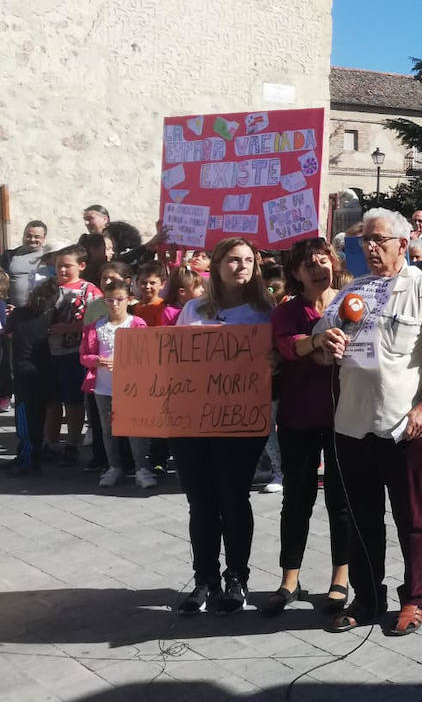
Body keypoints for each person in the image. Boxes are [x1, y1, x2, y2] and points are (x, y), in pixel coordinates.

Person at [318, 209, 422, 636]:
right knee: (362, 518)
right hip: (352, 425)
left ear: (402, 243)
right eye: (365, 241)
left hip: (404, 426)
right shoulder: (352, 291)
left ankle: (415, 597)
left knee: (412, 519)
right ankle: (368, 596)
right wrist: (325, 341)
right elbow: (320, 346)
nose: (370, 247)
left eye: (379, 240)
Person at [173, 238, 274, 615]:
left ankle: (236, 579)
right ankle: (205, 579)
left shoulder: (265, 312)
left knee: (232, 499)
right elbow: (174, 363)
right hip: (192, 420)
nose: (241, 266)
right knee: (200, 503)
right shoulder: (193, 309)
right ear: (216, 266)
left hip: (240, 421)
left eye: (248, 260)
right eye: (233, 260)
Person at [263, 238, 353, 617]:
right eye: (308, 265)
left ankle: (341, 577)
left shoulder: (352, 303)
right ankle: (289, 579)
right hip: (298, 418)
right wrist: (315, 341)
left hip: (346, 418)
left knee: (341, 501)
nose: (319, 268)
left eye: (323, 260)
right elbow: (286, 345)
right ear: (296, 274)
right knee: (296, 501)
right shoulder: (289, 310)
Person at [79, 278, 154, 489]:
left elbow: (146, 354)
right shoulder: (96, 326)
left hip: (131, 386)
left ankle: (142, 468)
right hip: (103, 385)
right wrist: (97, 361)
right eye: (109, 299)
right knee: (107, 428)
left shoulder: (136, 324)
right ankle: (114, 466)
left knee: (135, 428)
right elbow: (84, 355)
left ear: (129, 300)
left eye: (119, 299)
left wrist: (126, 363)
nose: (114, 304)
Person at [45, 245, 99, 465]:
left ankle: (73, 444)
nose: (63, 270)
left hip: (73, 354)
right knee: (52, 401)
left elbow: (98, 321)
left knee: (73, 401)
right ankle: (51, 443)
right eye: (59, 266)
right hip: (48, 353)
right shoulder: (47, 288)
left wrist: (71, 329)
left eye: (68, 266)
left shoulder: (90, 291)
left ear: (81, 266)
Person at [6, 279, 59, 474]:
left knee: (25, 420)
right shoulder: (52, 316)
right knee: (39, 416)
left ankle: (27, 460)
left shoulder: (19, 314)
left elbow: (8, 332)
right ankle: (29, 456)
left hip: (24, 373)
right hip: (45, 372)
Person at [2, 220, 49, 309]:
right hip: (14, 311)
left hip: (41, 312)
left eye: (37, 237)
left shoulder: (50, 257)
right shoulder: (9, 256)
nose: (32, 239)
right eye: (28, 236)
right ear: (23, 236)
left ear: (44, 238)